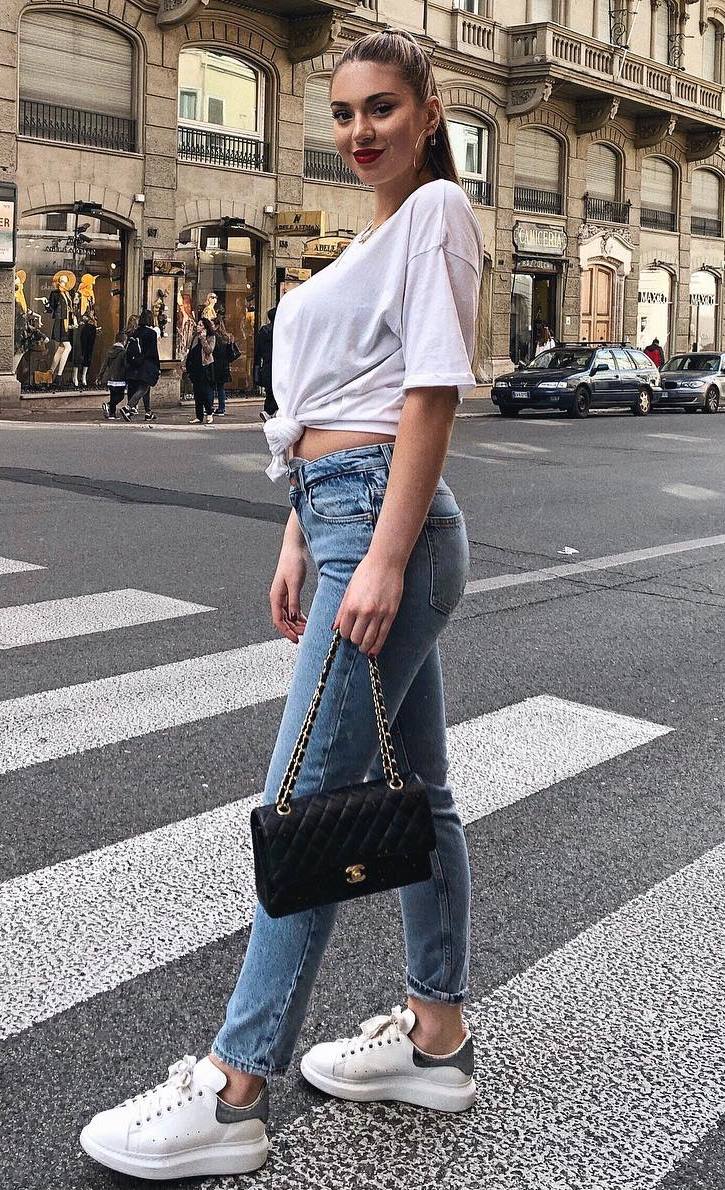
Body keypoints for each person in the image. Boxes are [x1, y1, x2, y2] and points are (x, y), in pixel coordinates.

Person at [80, 28, 482, 1181]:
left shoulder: (436, 216)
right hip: (343, 513)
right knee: (422, 788)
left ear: (427, 109)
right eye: (344, 112)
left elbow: (424, 397)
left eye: (381, 109)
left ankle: (234, 1085)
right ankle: (435, 1033)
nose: (359, 130)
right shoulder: (371, 235)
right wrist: (300, 529)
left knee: (302, 799)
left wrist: (383, 556)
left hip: (385, 525)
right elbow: (332, 402)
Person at [122, 310, 160, 422]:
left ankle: (148, 412)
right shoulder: (151, 333)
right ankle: (128, 407)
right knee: (144, 388)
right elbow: (153, 352)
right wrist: (157, 366)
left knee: (145, 388)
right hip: (147, 364)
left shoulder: (135, 332)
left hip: (135, 364)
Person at [184, 317, 216, 425]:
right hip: (195, 366)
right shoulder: (194, 337)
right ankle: (199, 415)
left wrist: (203, 339)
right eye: (198, 324)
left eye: (200, 325)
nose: (198, 326)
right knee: (197, 392)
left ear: (205, 327)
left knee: (205, 391)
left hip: (205, 366)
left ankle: (209, 413)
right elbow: (190, 351)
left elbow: (209, 350)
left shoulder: (210, 337)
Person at [254, 306, 277, 418]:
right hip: (280, 364)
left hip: (267, 364)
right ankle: (272, 412)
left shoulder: (263, 331)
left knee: (269, 391)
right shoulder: (282, 330)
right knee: (279, 391)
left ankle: (268, 411)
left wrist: (257, 365)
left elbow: (258, 351)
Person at [98, 333, 127, 419]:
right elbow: (125, 365)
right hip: (120, 377)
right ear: (123, 341)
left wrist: (100, 376)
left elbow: (104, 365)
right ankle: (108, 405)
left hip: (110, 378)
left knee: (113, 395)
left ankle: (112, 414)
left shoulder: (110, 351)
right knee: (120, 396)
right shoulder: (123, 352)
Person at [211, 315, 231, 415]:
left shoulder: (214, 336)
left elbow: (213, 351)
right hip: (224, 364)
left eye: (212, 325)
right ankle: (221, 408)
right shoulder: (226, 337)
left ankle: (210, 406)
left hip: (215, 363)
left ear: (217, 325)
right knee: (220, 388)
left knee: (211, 386)